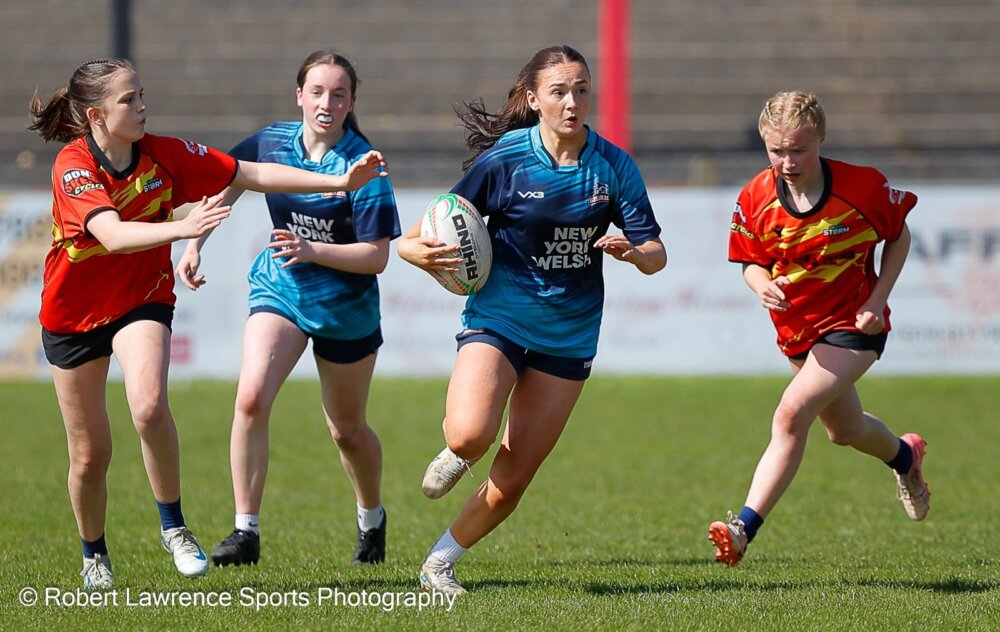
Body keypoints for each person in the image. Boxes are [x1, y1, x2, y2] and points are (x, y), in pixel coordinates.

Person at [28, 58, 387, 589]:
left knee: (149, 408)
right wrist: (183, 230)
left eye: (141, 93)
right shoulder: (73, 165)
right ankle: (94, 555)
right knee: (89, 455)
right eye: (129, 100)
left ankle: (174, 527)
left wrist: (336, 182)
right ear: (95, 115)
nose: (142, 105)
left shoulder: (166, 153)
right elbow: (112, 235)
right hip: (72, 316)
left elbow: (251, 174)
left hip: (141, 300)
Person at [397, 45, 667, 595]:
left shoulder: (614, 166)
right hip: (499, 317)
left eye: (582, 89)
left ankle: (439, 563)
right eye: (559, 91)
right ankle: (458, 451)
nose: (572, 102)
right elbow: (430, 227)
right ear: (533, 98)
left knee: (514, 476)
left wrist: (635, 255)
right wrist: (414, 254)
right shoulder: (506, 159)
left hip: (568, 335)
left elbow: (656, 253)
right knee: (472, 435)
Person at [175, 50, 399, 568]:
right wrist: (194, 245)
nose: (326, 102)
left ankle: (372, 517)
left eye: (338, 93)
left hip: (346, 309)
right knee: (251, 398)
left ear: (351, 102)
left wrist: (313, 248)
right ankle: (245, 531)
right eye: (316, 91)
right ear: (299, 95)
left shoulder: (365, 167)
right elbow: (231, 180)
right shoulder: (273, 140)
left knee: (346, 430)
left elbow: (377, 258)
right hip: (282, 288)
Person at [709, 91, 930, 566]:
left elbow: (900, 235)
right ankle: (905, 458)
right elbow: (750, 263)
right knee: (845, 430)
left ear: (821, 139)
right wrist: (761, 284)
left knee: (790, 414)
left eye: (799, 150)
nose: (787, 161)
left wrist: (878, 299)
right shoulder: (756, 196)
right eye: (776, 150)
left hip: (854, 326)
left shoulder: (863, 189)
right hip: (797, 332)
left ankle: (742, 528)